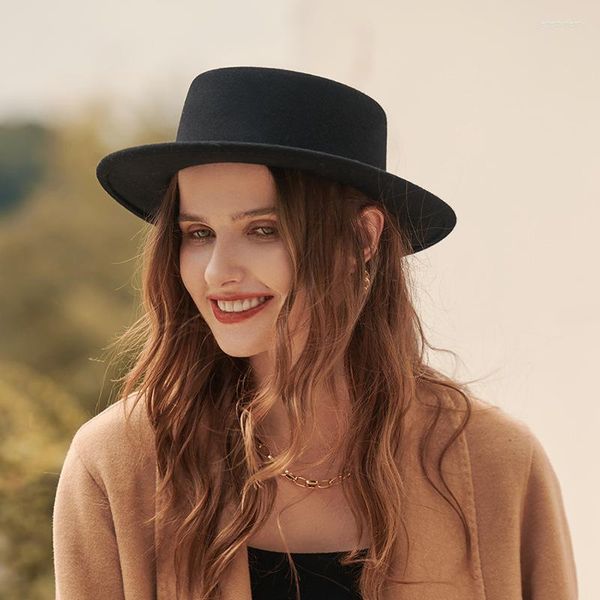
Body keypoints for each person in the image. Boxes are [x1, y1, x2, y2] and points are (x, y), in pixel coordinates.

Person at [52, 66, 578, 600]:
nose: (216, 271)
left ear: (363, 237)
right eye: (199, 233)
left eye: (263, 229)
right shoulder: (119, 466)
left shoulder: (494, 463)